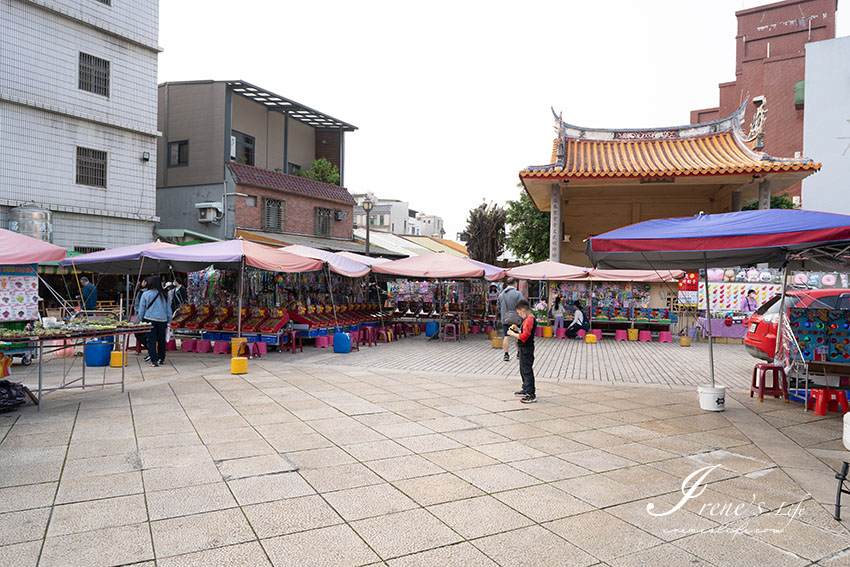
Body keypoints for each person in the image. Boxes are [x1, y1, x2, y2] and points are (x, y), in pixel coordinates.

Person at [137, 276, 172, 367]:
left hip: (149, 319)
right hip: (162, 320)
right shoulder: (164, 294)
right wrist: (169, 321)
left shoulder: (146, 294)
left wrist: (141, 319)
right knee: (161, 340)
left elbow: (142, 309)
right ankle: (161, 358)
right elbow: (168, 309)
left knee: (151, 340)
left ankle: (154, 360)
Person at [507, 299, 537, 403]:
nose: (519, 315)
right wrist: (517, 330)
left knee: (527, 370)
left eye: (519, 312)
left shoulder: (529, 320)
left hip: (526, 348)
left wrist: (512, 334)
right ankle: (525, 388)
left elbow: (524, 336)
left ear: (523, 310)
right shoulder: (528, 319)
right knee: (523, 369)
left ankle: (531, 393)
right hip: (525, 348)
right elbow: (524, 332)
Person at [498, 278, 525, 361]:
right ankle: (518, 353)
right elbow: (522, 305)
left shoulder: (501, 294)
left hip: (505, 318)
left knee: (506, 336)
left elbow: (499, 307)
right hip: (516, 319)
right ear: (515, 284)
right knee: (517, 336)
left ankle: (506, 354)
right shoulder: (518, 294)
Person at [133, 278, 150, 360]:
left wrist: (138, 316)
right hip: (153, 317)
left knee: (139, 334)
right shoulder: (157, 293)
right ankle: (151, 350)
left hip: (143, 317)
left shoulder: (141, 293)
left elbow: (137, 306)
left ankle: (150, 349)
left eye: (143, 281)